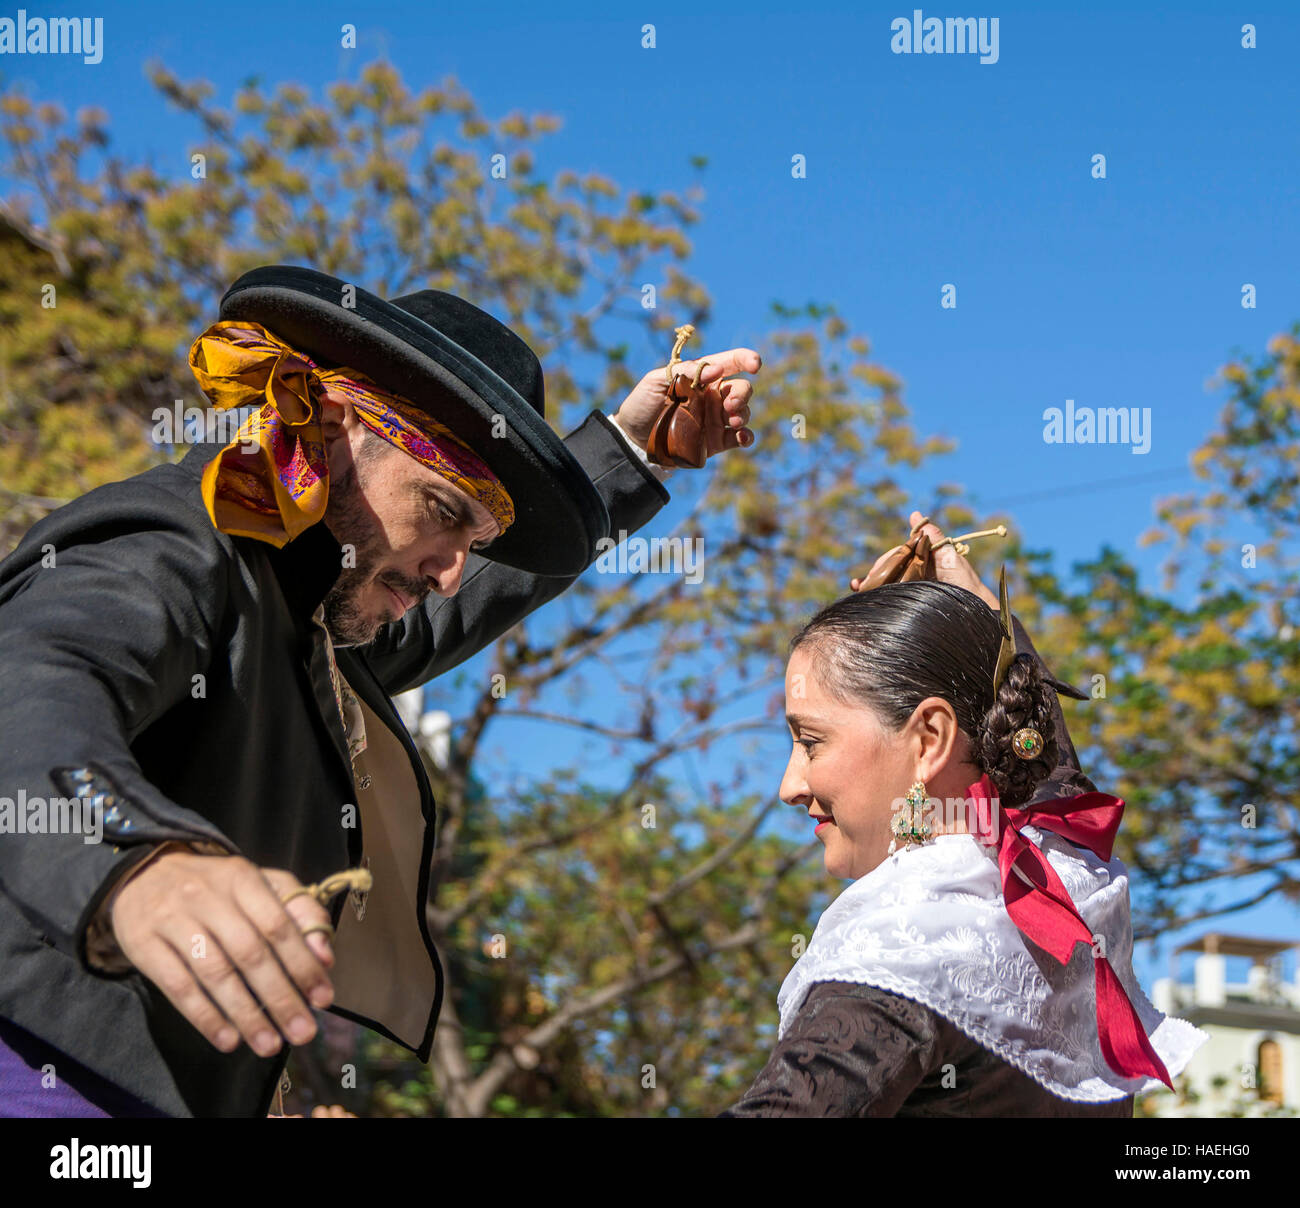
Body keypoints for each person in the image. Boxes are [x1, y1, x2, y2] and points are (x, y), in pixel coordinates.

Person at [0, 263, 760, 1117]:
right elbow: (30, 690)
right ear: (329, 429)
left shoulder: (318, 616)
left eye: (475, 537)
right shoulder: (179, 541)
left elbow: (449, 612)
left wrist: (625, 454)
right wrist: (135, 860)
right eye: (442, 511)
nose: (448, 575)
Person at [720, 515, 1207, 1117]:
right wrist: (979, 622)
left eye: (811, 742)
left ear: (929, 739)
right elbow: (1038, 756)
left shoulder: (902, 953)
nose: (789, 786)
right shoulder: (1063, 873)